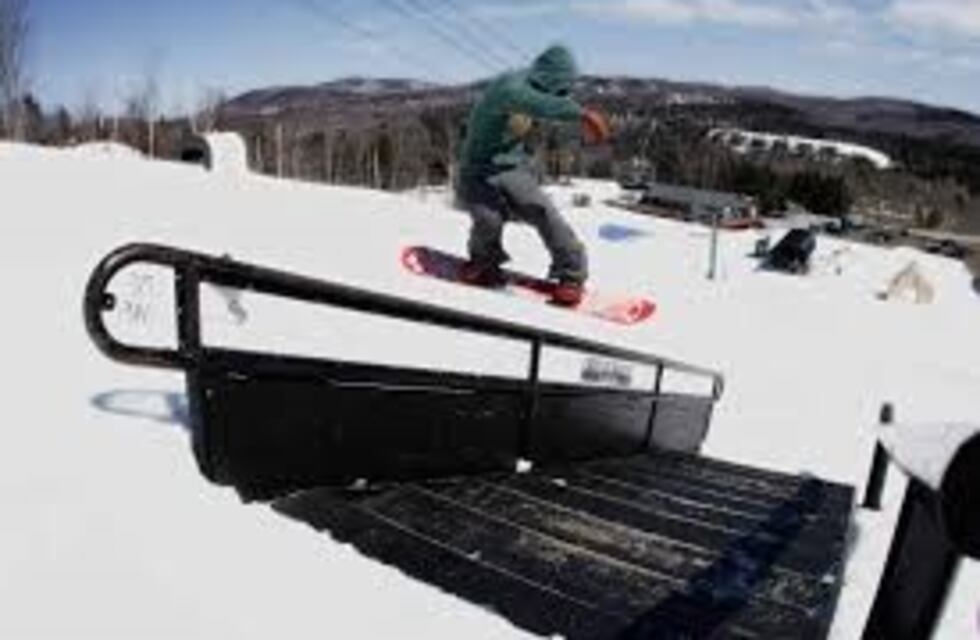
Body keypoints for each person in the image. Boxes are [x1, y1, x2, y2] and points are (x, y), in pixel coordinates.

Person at [455, 44, 610, 306]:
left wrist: (571, 108)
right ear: (547, 80)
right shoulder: (509, 88)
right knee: (488, 219)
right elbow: (539, 104)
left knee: (544, 212)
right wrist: (583, 115)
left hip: (513, 167)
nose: (561, 96)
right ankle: (483, 263)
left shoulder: (540, 86)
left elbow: (552, 101)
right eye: (559, 90)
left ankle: (572, 275)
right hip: (476, 168)